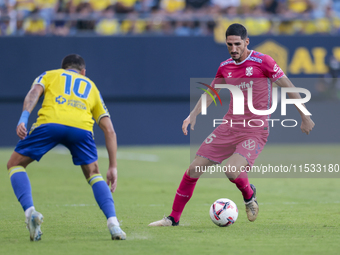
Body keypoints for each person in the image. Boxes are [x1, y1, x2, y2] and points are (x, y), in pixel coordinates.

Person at [149, 23, 315, 227]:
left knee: (231, 170)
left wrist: (305, 116)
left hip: (254, 130)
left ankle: (248, 194)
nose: (234, 48)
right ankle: (173, 218)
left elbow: (289, 86)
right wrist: (193, 114)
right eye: (229, 44)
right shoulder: (225, 66)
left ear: (246, 42)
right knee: (193, 169)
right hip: (228, 127)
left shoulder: (264, 61)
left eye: (238, 44)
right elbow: (211, 92)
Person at [7, 54, 126, 241]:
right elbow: (109, 130)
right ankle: (114, 225)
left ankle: (30, 213)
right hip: (81, 128)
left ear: (63, 69)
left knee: (15, 164)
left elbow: (34, 93)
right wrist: (113, 166)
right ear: (84, 72)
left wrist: (23, 117)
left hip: (50, 123)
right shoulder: (91, 86)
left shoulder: (50, 75)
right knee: (94, 174)